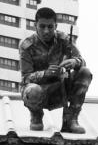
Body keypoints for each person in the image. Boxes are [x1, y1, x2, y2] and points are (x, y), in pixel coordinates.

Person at [19, 7, 89, 135]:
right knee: (33, 90)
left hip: (60, 89)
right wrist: (46, 73)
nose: (46, 31)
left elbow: (81, 60)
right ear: (35, 26)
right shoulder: (27, 46)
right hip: (38, 92)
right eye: (42, 26)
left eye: (50, 27)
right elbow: (25, 78)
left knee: (84, 72)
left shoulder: (63, 40)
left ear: (55, 26)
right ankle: (36, 115)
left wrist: (74, 62)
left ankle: (71, 119)